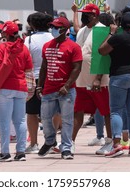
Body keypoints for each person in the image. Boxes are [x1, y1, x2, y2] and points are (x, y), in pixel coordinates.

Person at [98, 12, 130, 158]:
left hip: (119, 76)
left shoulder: (116, 38)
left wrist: (111, 33)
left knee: (116, 111)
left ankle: (116, 145)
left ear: (120, 25)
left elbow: (101, 51)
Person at [37, 17, 82, 160]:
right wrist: (40, 85)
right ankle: (50, 141)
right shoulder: (47, 45)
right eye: (52, 27)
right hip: (49, 89)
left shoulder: (73, 47)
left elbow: (77, 68)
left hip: (66, 90)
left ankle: (67, 147)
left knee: (67, 120)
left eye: (56, 27)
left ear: (63, 30)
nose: (53, 30)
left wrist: (67, 85)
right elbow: (44, 66)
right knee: (44, 118)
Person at [71, 4, 112, 155]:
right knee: (78, 110)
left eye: (87, 14)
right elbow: (77, 32)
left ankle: (110, 142)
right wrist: (74, 13)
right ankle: (70, 142)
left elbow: (103, 55)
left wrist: (98, 78)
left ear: (94, 15)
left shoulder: (101, 29)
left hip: (97, 80)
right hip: (81, 79)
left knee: (105, 111)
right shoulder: (83, 29)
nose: (84, 16)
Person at [0, 21, 33, 162]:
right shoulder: (24, 48)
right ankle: (20, 152)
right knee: (20, 121)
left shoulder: (3, 47)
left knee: (4, 122)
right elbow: (28, 68)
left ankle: (5, 152)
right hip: (21, 87)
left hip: (4, 87)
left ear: (5, 33)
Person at [24, 12, 53, 154]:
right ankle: (51, 141)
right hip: (52, 77)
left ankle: (34, 143)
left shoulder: (28, 40)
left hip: (34, 79)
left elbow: (25, 59)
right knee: (54, 111)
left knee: (31, 112)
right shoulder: (54, 38)